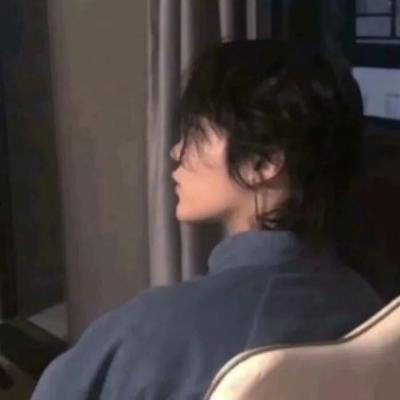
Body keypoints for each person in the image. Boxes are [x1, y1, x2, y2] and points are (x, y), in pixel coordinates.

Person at [31, 39, 383, 400]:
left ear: (263, 163)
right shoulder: (371, 313)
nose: (177, 152)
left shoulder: (149, 332)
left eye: (196, 133)